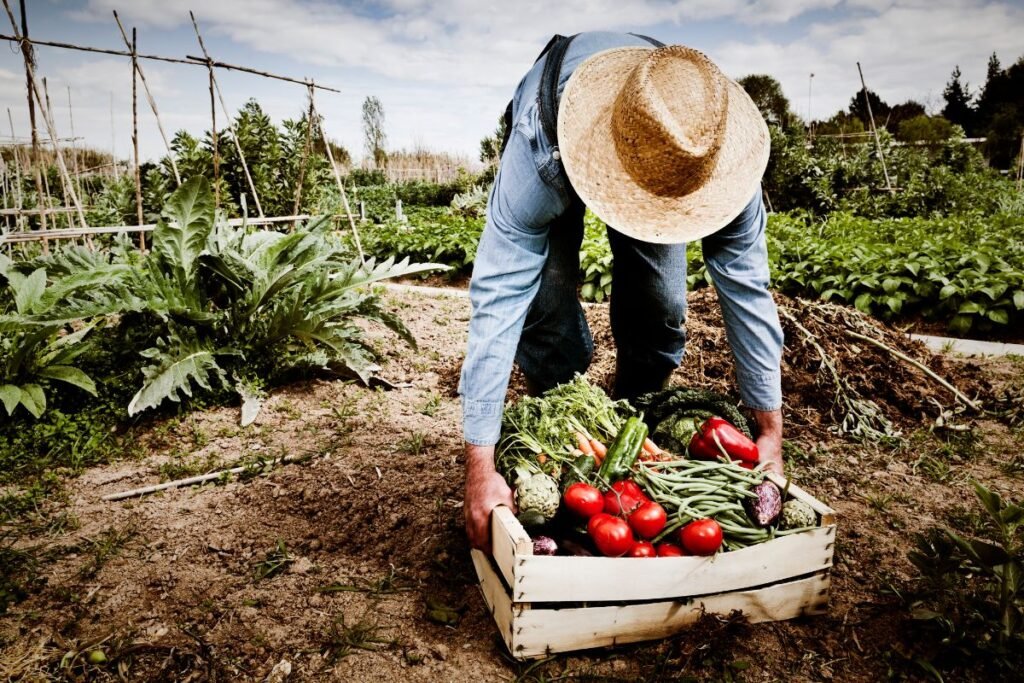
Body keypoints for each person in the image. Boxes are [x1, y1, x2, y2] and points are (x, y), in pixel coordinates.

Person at [459, 31, 785, 551]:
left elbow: (747, 288)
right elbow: (499, 293)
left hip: (662, 149)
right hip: (560, 126)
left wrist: (770, 431)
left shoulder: (711, 152)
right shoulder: (538, 150)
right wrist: (479, 464)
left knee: (662, 305)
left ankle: (632, 417)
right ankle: (561, 420)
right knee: (545, 309)